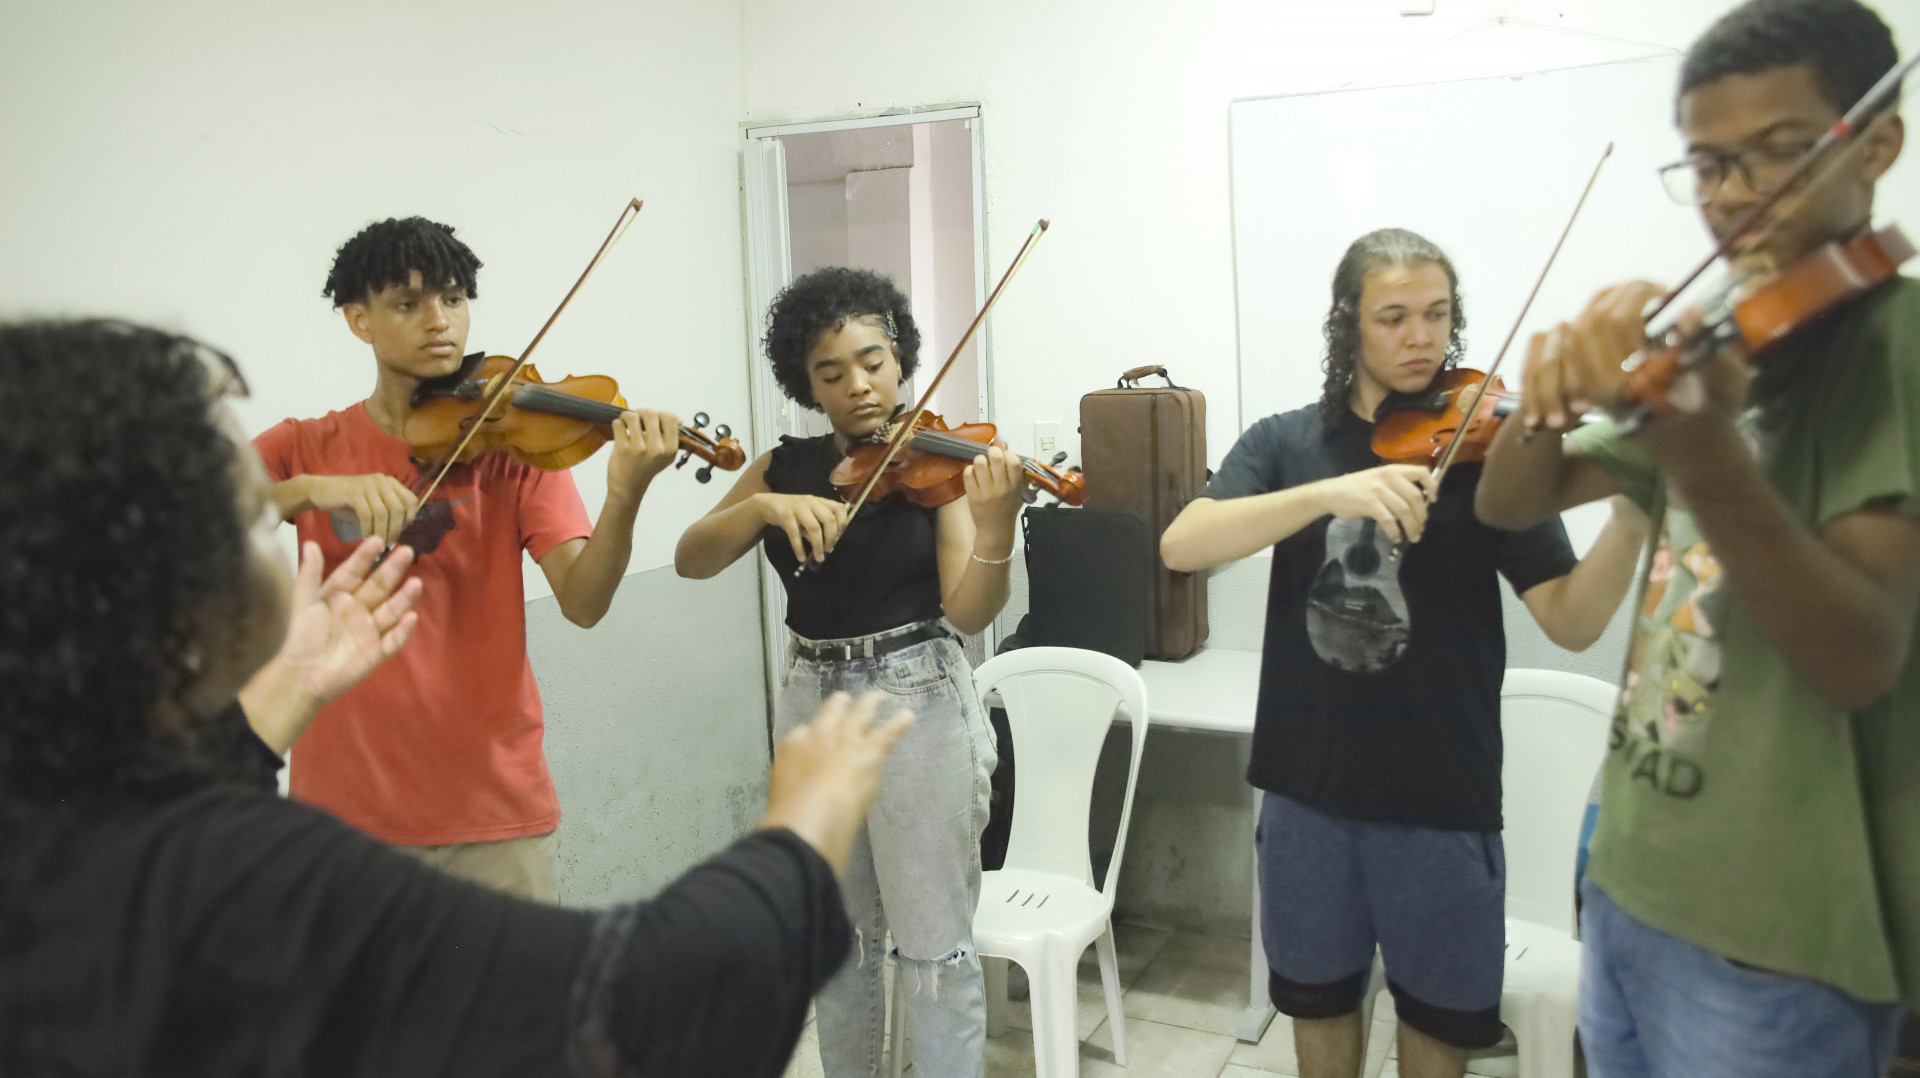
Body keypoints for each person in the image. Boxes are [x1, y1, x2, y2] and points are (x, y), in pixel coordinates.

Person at [0, 317, 911, 1076]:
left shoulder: (61, 832)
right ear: (158, 593)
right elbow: (648, 1003)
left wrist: (273, 708)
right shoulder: (252, 870)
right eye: (250, 521)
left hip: (493, 807)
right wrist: (806, 823)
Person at [1474, 1, 1918, 1074]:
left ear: (1878, 142)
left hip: (1774, 934)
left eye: (1773, 155)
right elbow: (1510, 505)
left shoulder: (1891, 345)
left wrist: (1699, 445)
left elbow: (1858, 654)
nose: (1732, 197)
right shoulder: (1726, 344)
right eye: (1708, 165)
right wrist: (1543, 397)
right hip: (1629, 873)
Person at [1160, 228, 1650, 1078]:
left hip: (1440, 796)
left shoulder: (1492, 452)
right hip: (1308, 789)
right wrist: (1327, 493)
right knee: (1319, 1021)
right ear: (1348, 325)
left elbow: (1573, 620)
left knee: (1437, 1034)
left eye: (1436, 315)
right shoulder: (1287, 441)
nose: (1420, 337)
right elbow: (1183, 544)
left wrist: (1639, 512)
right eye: (1393, 317)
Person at [254, 217, 685, 899]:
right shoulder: (306, 446)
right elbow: (185, 514)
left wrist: (625, 495)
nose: (440, 321)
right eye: (409, 303)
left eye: (454, 299)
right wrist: (308, 490)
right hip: (340, 818)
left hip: (494, 813)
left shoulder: (514, 445)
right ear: (358, 321)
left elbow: (584, 601)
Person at [676, 267, 1024, 1078]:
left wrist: (998, 524)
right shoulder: (781, 466)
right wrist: (759, 507)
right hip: (811, 699)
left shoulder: (938, 468)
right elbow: (694, 558)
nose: (858, 385)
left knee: (934, 947)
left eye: (872, 361)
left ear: (901, 359)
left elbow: (970, 612)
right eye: (831, 373)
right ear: (806, 383)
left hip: (917, 698)